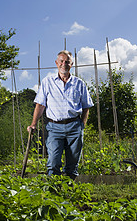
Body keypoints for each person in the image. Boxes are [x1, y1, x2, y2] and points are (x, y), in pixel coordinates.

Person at [27, 50, 94, 180]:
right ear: (56, 63)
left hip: (74, 126)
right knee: (53, 162)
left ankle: (69, 191)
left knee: (72, 164)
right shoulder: (47, 82)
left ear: (71, 64)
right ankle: (54, 193)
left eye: (67, 62)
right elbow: (40, 105)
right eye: (61, 61)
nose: (64, 64)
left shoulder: (79, 84)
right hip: (54, 127)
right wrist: (33, 124)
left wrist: (82, 125)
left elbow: (86, 106)